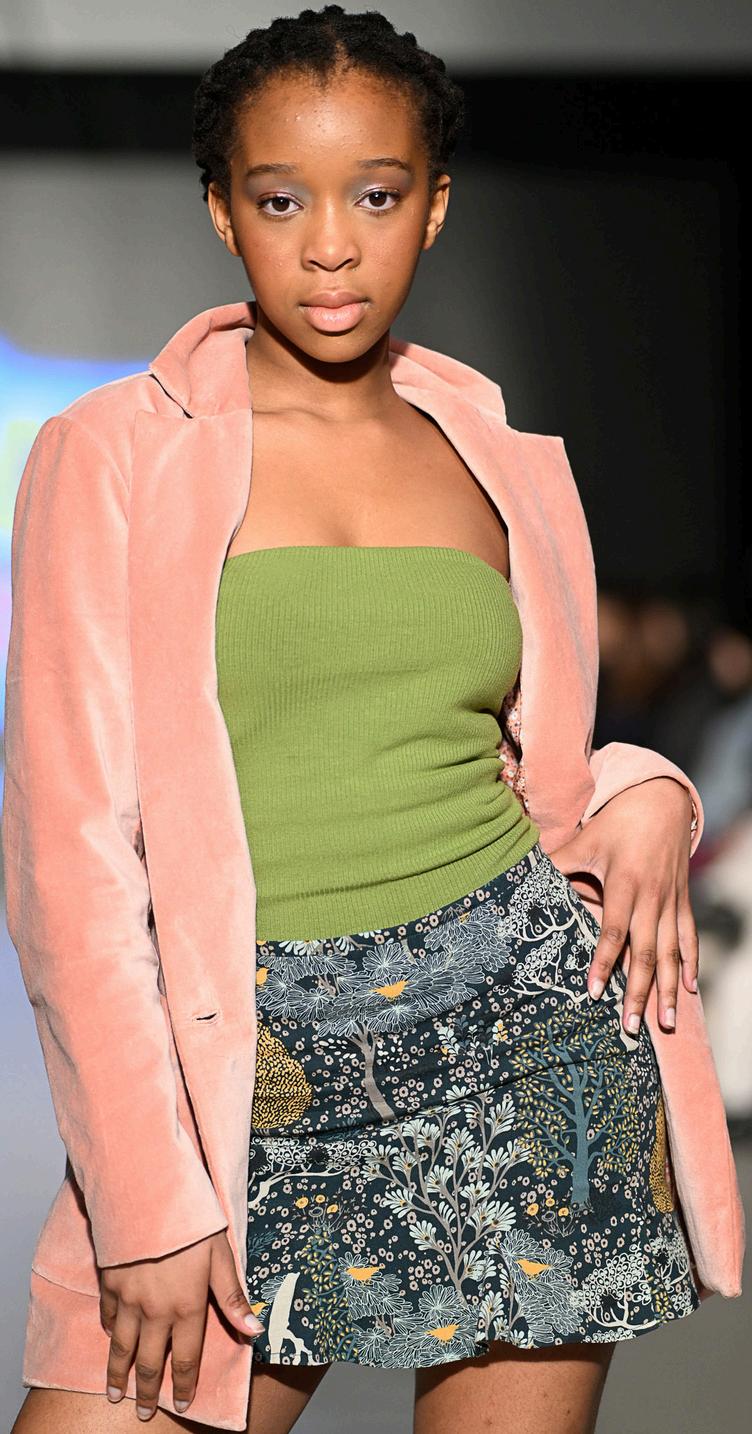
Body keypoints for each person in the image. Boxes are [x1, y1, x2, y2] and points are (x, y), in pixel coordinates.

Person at [4, 8, 744, 1434]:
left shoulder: (501, 453)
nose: (332, 246)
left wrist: (651, 788)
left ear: (436, 203)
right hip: (249, 1071)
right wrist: (147, 1204)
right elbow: (66, 857)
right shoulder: (116, 456)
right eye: (282, 199)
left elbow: (544, 761)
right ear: (222, 210)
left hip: (532, 1047)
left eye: (378, 194)